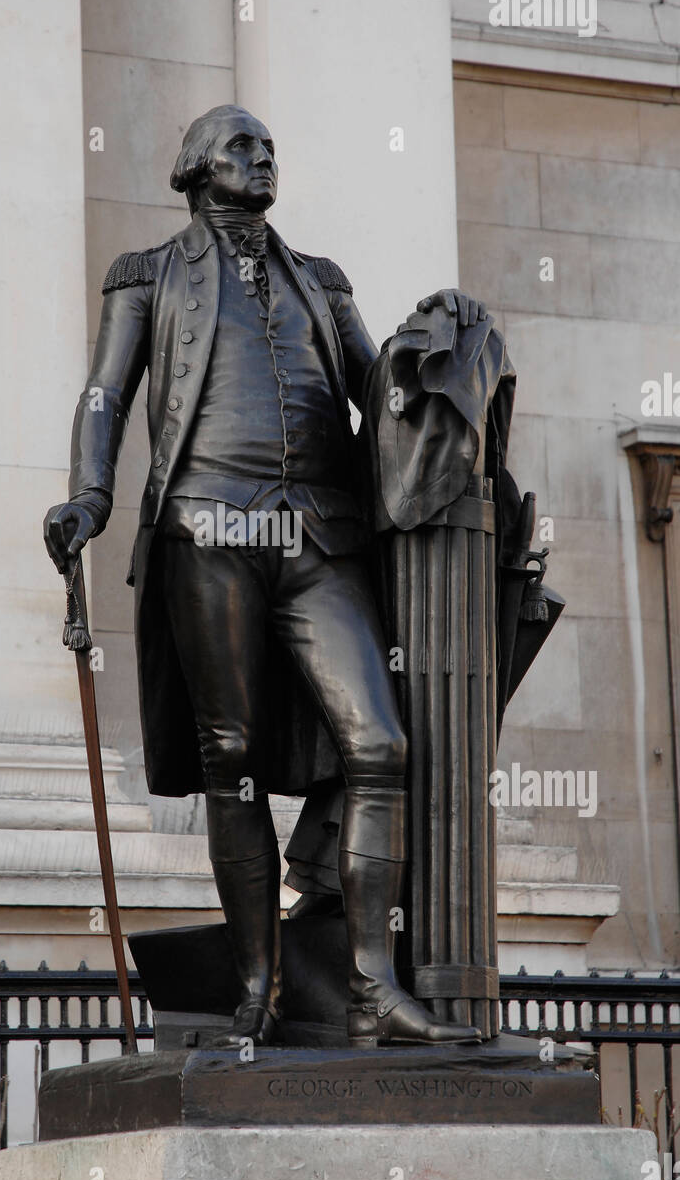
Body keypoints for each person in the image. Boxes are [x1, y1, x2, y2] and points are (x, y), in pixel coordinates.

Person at [44, 104, 482, 1047]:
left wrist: (440, 353)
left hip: (321, 536)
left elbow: (380, 394)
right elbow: (106, 392)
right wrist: (89, 494)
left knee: (380, 746)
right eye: (242, 146)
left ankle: (372, 986)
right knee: (231, 757)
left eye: (270, 148)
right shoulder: (147, 275)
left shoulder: (320, 279)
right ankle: (257, 984)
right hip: (208, 529)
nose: (262, 158)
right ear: (195, 166)